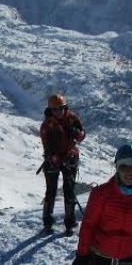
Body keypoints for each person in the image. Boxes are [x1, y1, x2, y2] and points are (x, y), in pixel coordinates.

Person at [39, 93, 85, 235]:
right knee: (51, 191)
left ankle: (69, 223)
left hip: (70, 157)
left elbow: (82, 133)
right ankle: (47, 223)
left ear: (65, 107)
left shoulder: (72, 118)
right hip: (53, 159)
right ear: (51, 111)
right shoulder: (47, 125)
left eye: (60, 108)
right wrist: (53, 158)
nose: (58, 112)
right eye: (55, 110)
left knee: (69, 191)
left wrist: (78, 134)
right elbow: (46, 145)